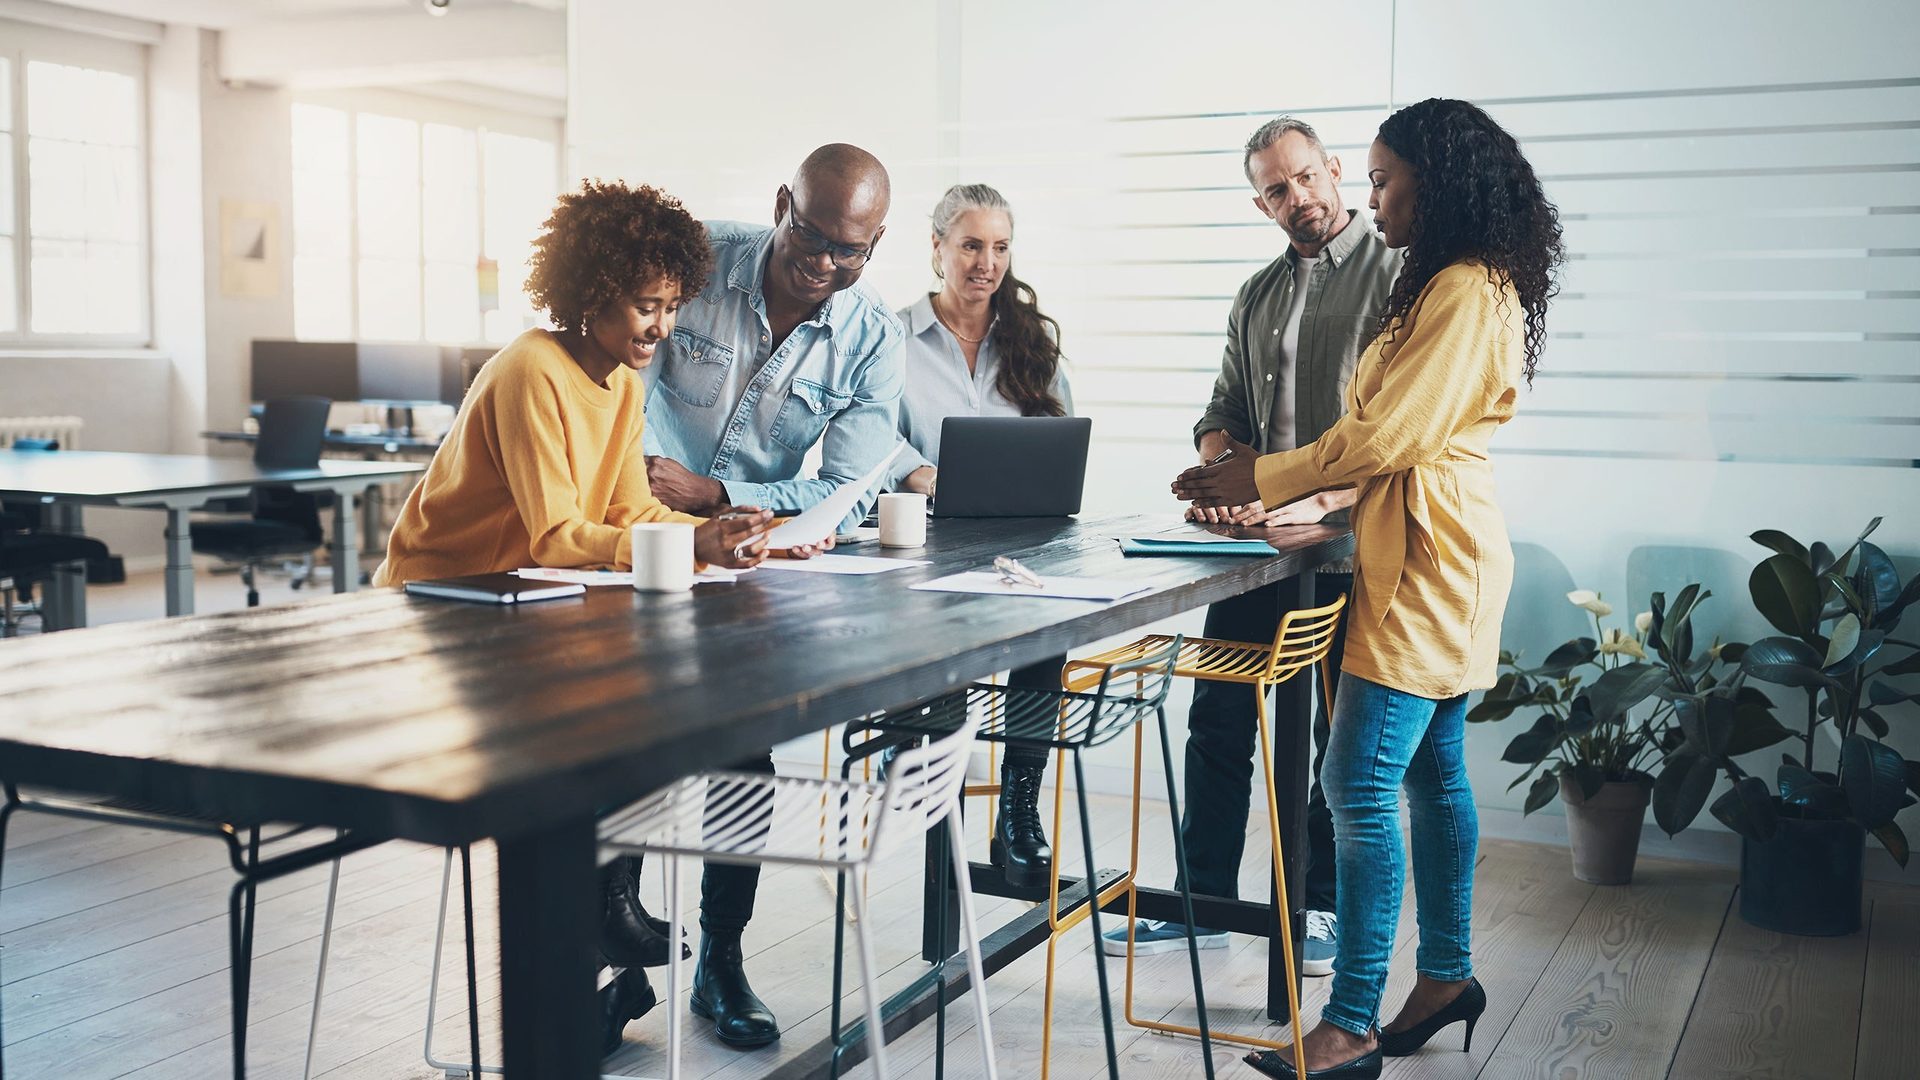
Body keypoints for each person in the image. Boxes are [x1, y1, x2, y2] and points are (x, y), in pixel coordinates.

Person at [1173, 98, 1565, 1080]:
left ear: (1437, 183)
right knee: (1432, 774)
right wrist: (1254, 472)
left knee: (1354, 782)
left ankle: (1349, 1024)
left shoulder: (1464, 290)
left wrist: (1266, 476)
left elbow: (1387, 435)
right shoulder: (1450, 281)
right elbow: (1376, 427)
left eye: (1384, 181)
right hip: (1431, 551)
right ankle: (1445, 978)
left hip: (1426, 561)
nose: (1375, 199)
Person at [368, 180, 783, 1057]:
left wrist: (719, 539)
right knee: (615, 706)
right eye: (644, 305)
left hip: (529, 600)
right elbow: (558, 534)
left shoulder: (623, 385)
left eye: (671, 306)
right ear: (591, 292)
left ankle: (614, 932)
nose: (660, 327)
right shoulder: (530, 369)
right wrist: (689, 543)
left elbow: (630, 515)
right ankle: (607, 916)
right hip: (443, 605)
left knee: (679, 706)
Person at [1102, 117, 1400, 974]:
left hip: (1350, 548)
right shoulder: (1256, 294)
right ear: (1260, 203)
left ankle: (1318, 908)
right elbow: (1223, 413)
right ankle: (1201, 903)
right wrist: (1223, 476)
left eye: (1305, 177)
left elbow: (1392, 430)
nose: (1296, 197)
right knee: (1218, 719)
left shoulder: (1397, 275)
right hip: (1255, 553)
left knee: (1334, 739)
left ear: (1334, 170)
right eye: (1276, 189)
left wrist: (1299, 493)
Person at [634, 143, 905, 1050]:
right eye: (812, 235)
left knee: (746, 753)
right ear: (782, 203)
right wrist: (654, 489)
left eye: (849, 249)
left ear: (875, 244)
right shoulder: (694, 260)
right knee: (609, 741)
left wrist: (719, 497)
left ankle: (719, 958)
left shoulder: (872, 337)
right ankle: (609, 954)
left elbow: (849, 486)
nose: (824, 261)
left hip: (745, 555)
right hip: (630, 532)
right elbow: (614, 381)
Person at [889, 182, 1072, 888]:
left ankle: (1019, 807)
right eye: (970, 246)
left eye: (999, 247)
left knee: (1047, 630)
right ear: (937, 247)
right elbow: (865, 431)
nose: (986, 263)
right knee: (938, 638)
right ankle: (918, 756)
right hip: (921, 545)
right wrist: (920, 472)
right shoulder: (893, 338)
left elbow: (1061, 441)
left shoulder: (1030, 341)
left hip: (1014, 545)